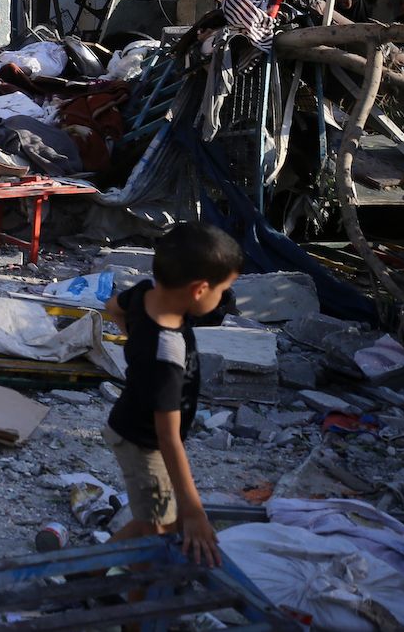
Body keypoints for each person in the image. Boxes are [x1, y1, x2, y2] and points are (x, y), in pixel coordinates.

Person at [103, 223, 242, 567]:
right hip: (144, 444)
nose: (223, 298)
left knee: (155, 521)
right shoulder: (166, 352)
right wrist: (195, 512)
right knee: (158, 537)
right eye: (222, 290)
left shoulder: (145, 292)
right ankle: (133, 614)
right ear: (199, 290)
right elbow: (169, 439)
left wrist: (136, 340)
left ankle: (82, 571)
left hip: (133, 427)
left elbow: (112, 307)